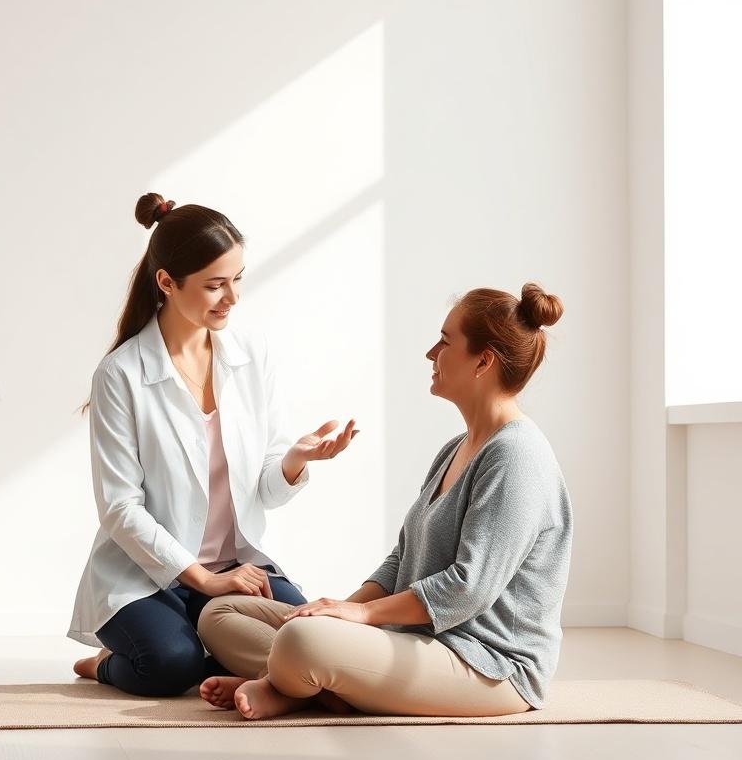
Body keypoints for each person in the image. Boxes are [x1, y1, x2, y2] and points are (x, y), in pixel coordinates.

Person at [196, 283, 573, 719]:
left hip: (487, 665)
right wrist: (341, 611)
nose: (432, 354)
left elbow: (467, 589)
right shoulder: (456, 448)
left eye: (446, 342)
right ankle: (307, 682)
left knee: (301, 642)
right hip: (415, 641)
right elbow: (402, 558)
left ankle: (292, 678)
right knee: (220, 613)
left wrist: (361, 617)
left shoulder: (517, 457)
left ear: (483, 361)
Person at [67, 193, 358, 697]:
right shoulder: (120, 375)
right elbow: (119, 508)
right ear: (167, 282)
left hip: (237, 567)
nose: (232, 297)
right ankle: (105, 664)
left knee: (311, 638)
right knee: (171, 665)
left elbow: (264, 486)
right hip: (148, 575)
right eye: (215, 285)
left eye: (237, 279)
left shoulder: (251, 355)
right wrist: (204, 580)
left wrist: (294, 460)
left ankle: (227, 659)